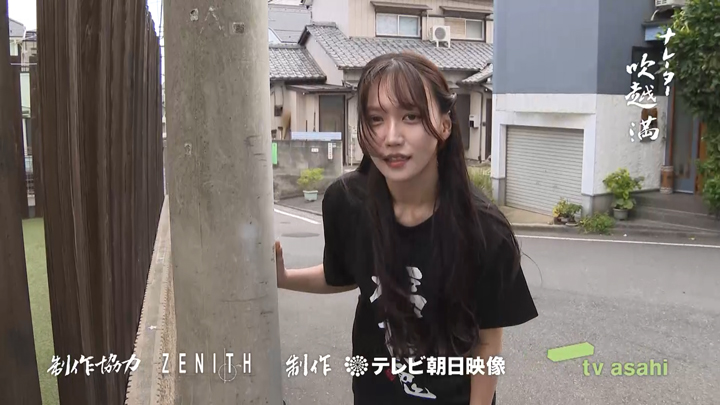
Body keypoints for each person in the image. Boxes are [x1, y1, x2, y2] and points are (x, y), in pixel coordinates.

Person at [275, 52, 538, 405]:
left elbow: (488, 344)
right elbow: (350, 275)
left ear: (445, 125)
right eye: (376, 119)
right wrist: (283, 278)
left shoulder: (485, 231)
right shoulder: (348, 203)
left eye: (410, 116)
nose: (391, 136)